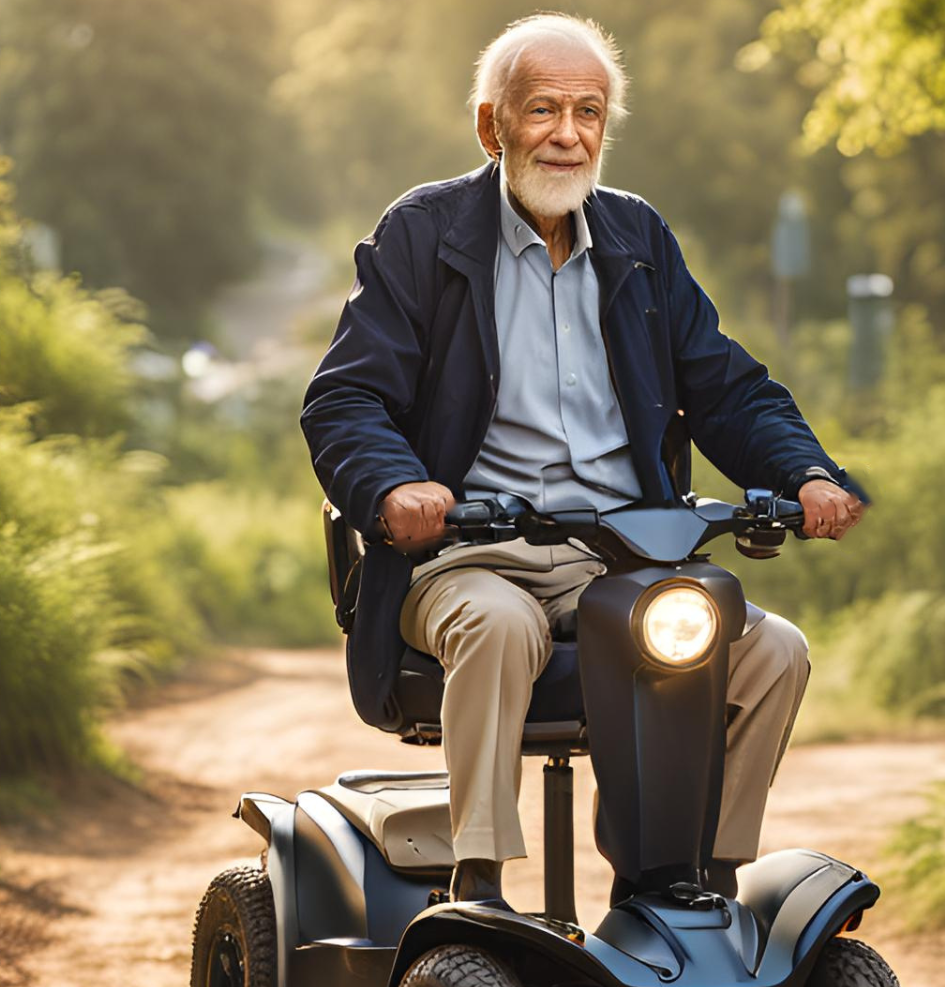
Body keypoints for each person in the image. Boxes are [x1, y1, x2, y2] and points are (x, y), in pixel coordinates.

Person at [299, 13, 865, 906]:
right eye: (543, 111)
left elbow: (725, 387)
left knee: (772, 652)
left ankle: (694, 887)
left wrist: (807, 474)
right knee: (499, 625)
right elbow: (345, 399)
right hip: (468, 557)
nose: (568, 134)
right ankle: (476, 886)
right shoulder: (423, 232)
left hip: (627, 556)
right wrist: (396, 485)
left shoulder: (638, 240)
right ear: (493, 127)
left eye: (589, 112)